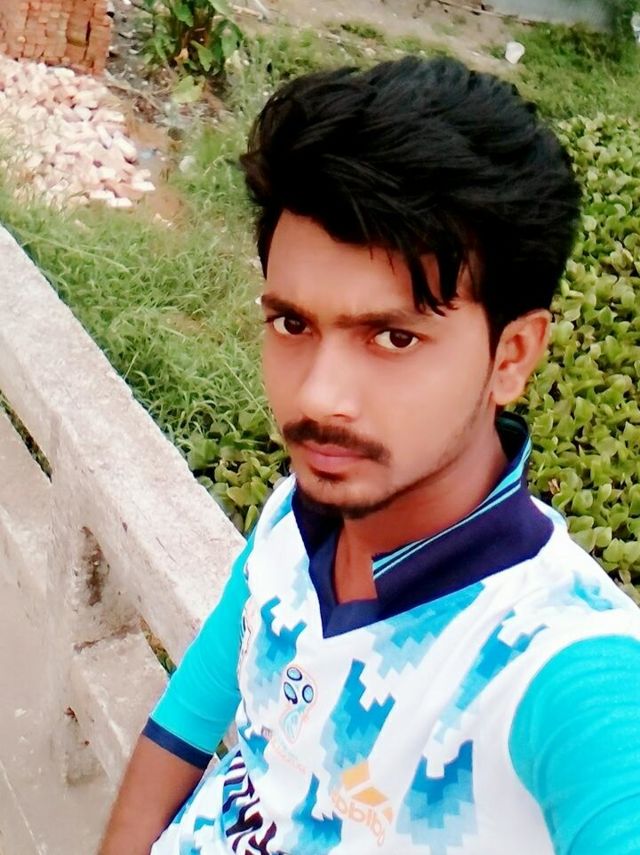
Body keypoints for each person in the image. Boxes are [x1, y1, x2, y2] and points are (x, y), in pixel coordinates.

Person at [99, 56, 640, 855]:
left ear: (512, 355)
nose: (319, 397)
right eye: (292, 324)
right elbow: (187, 720)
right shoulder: (298, 517)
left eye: (393, 337)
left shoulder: (558, 667)